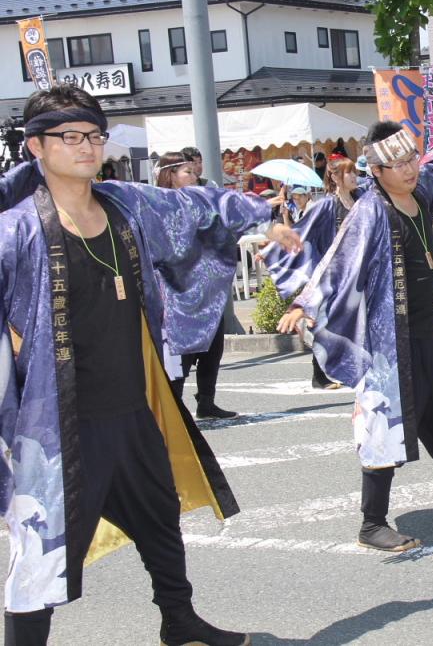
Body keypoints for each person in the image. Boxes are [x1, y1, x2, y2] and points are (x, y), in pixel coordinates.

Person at [0, 83, 300, 646]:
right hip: (56, 427)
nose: (86, 146)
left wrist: (261, 218)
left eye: (93, 134)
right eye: (70, 136)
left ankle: (178, 622)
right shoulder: (14, 230)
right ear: (36, 147)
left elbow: (198, 206)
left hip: (134, 408)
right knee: (40, 553)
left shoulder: (125, 205)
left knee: (160, 521)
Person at [277, 116, 433, 552]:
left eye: (410, 159)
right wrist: (303, 304)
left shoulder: (422, 192)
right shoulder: (370, 212)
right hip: (386, 344)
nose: (409, 168)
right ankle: (371, 523)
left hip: (427, 336)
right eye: (397, 163)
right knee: (382, 424)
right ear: (377, 172)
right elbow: (337, 261)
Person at [263, 155, 364, 390]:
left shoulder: (361, 200)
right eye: (349, 173)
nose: (354, 177)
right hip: (333, 272)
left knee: (351, 321)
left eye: (354, 173)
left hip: (357, 271)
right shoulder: (327, 205)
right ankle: (319, 374)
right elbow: (303, 230)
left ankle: (349, 366)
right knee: (324, 323)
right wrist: (274, 247)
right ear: (335, 177)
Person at [156, 153, 239, 420]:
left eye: (194, 171)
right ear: (171, 175)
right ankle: (174, 407)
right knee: (183, 351)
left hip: (206, 287)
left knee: (213, 345)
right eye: (187, 172)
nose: (194, 176)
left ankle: (206, 401)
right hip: (178, 291)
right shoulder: (161, 206)